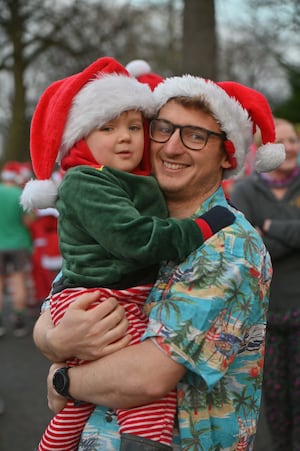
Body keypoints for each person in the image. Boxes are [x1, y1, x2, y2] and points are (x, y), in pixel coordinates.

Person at [34, 75, 285, 450]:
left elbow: (149, 377)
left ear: (226, 154)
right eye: (162, 129)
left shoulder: (229, 244)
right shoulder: (124, 219)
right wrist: (55, 340)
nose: (172, 147)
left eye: (195, 136)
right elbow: (59, 299)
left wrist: (61, 379)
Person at [230, 117, 300, 451]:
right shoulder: (245, 191)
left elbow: (261, 241)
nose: (288, 148)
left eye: (294, 140)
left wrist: (268, 226)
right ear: (262, 149)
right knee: (272, 398)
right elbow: (249, 250)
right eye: (279, 141)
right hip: (264, 318)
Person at [0, 161, 33, 337]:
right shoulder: (19, 194)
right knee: (18, 280)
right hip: (18, 243)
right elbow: (28, 221)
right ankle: (19, 321)